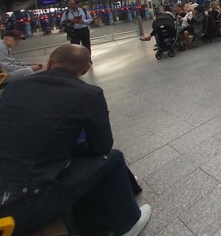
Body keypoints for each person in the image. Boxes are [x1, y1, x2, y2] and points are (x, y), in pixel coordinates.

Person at [0, 45, 150, 235]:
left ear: (49, 63)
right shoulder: (88, 93)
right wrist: (76, 148)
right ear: (86, 68)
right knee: (114, 158)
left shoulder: (14, 88)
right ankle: (129, 223)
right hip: (27, 204)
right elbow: (101, 146)